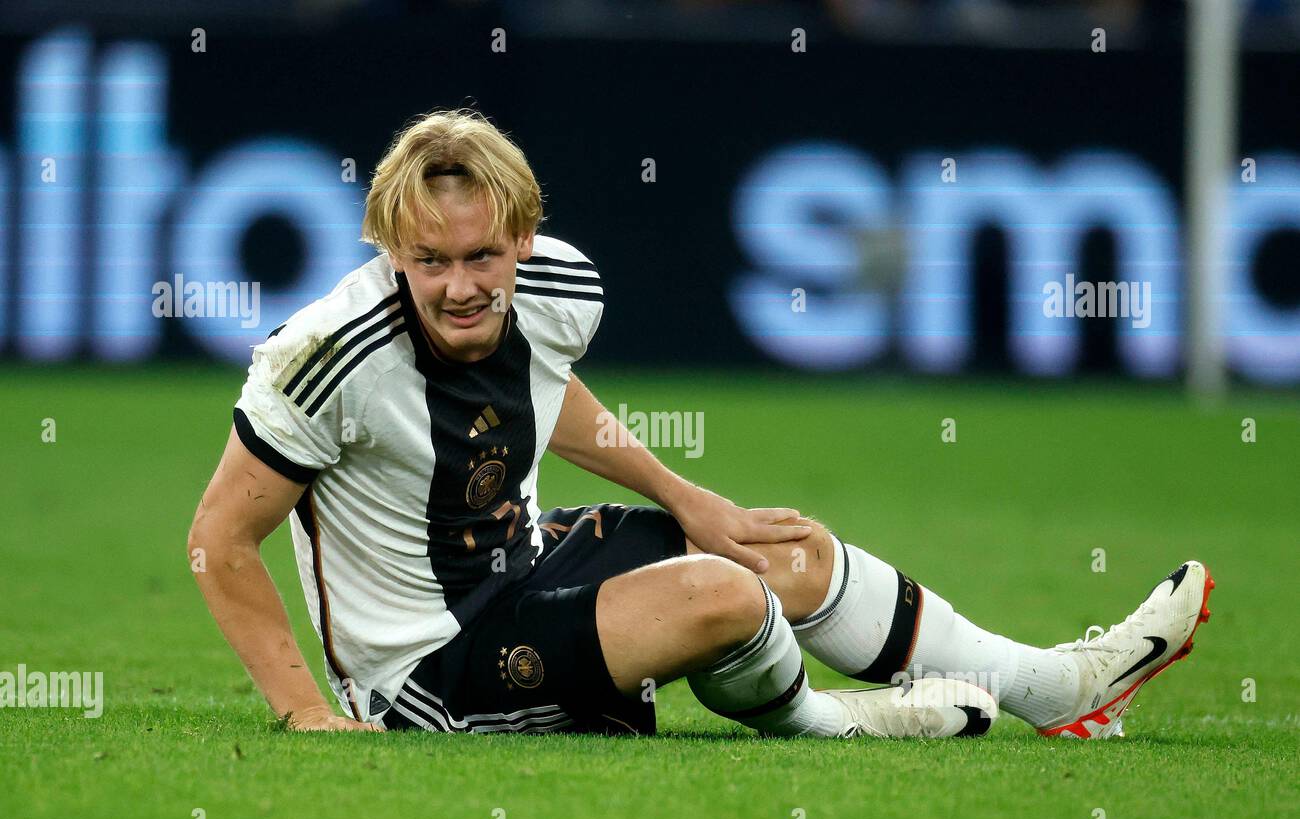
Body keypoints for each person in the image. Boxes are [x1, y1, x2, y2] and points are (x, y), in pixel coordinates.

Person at [188, 109, 1214, 740]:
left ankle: (1058, 688)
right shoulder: (324, 357)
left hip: (523, 566)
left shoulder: (558, 287)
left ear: (521, 237)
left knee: (783, 548)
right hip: (426, 672)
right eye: (428, 261)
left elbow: (549, 394)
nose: (459, 287)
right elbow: (219, 539)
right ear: (387, 248)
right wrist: (309, 713)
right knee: (723, 595)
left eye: (481, 258)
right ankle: (831, 723)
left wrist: (690, 498)